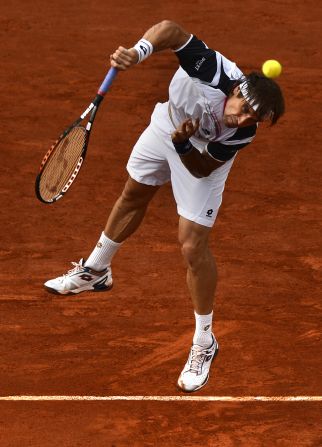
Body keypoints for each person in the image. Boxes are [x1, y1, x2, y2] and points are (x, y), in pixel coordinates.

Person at [44, 20, 285, 392]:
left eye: (254, 119)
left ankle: (205, 342)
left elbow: (203, 168)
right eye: (244, 108)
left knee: (192, 244)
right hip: (167, 122)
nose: (245, 118)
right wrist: (137, 53)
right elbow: (171, 31)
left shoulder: (242, 132)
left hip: (197, 151)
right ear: (236, 89)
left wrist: (185, 143)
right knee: (134, 193)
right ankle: (96, 271)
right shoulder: (214, 70)